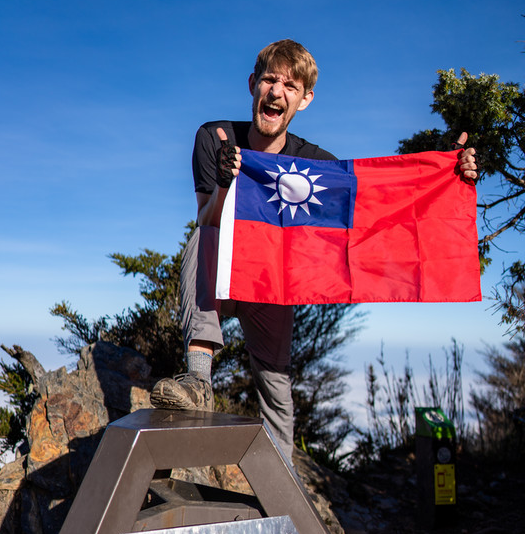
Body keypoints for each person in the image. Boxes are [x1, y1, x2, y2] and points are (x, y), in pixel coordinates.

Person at [151, 39, 478, 462]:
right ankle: (198, 383)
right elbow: (206, 217)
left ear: (304, 100)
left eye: (291, 85)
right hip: (224, 271)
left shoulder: (317, 164)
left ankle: (282, 486)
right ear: (253, 85)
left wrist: (450, 171)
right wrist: (225, 181)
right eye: (269, 79)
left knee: (276, 388)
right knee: (203, 240)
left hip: (272, 280)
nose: (276, 92)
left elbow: (372, 211)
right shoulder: (216, 138)